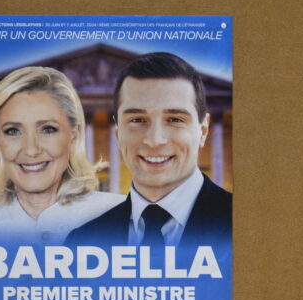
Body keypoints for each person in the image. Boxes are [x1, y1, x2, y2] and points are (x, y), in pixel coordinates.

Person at [66, 52, 230, 249]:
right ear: (118, 133)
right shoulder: (80, 241)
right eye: (137, 120)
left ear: (203, 131)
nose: (154, 140)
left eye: (175, 119)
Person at [0, 66, 121, 244]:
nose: (31, 150)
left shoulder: (125, 220)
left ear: (74, 136)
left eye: (48, 129)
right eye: (12, 131)